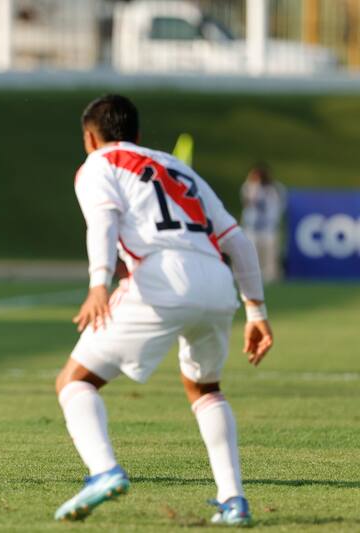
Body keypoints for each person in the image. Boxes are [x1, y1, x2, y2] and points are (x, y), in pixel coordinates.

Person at [53, 95, 273, 525]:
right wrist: (257, 312)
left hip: (161, 277)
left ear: (89, 139)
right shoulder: (179, 168)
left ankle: (104, 471)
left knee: (74, 381)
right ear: (137, 134)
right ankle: (233, 500)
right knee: (205, 389)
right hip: (217, 281)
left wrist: (98, 283)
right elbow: (238, 242)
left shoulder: (98, 164)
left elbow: (103, 221)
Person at [240, 163, 286, 283]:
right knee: (251, 254)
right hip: (252, 227)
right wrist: (255, 187)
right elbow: (247, 202)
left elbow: (279, 205)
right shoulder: (249, 187)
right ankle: (251, 277)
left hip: (269, 227)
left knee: (270, 257)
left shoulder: (275, 188)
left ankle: (271, 278)